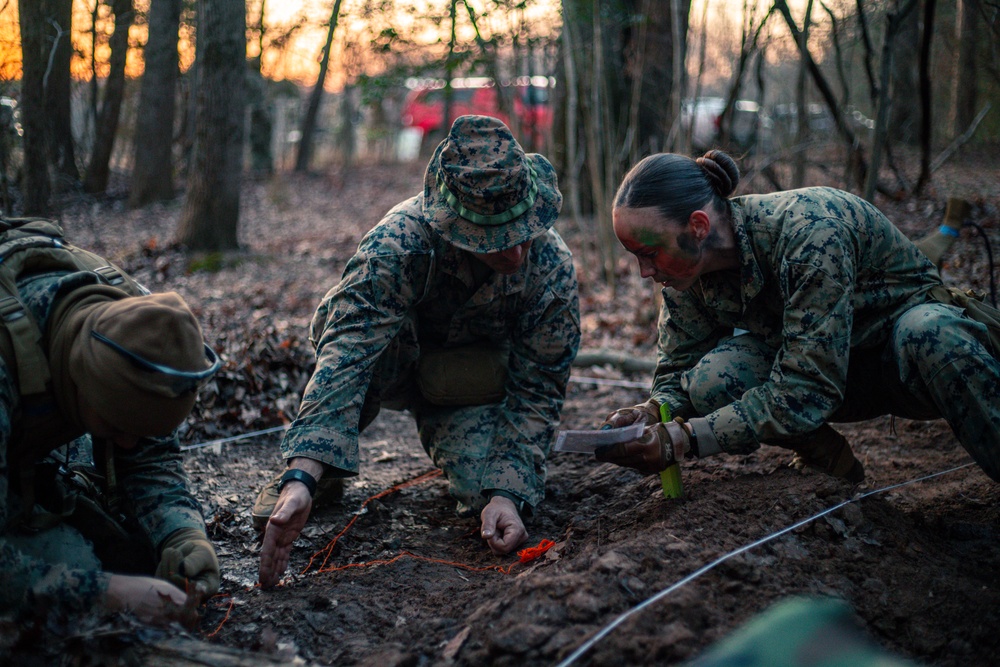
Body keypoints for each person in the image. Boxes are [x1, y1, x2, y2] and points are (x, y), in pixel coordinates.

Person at [253, 115, 580, 588]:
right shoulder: (399, 243)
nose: (515, 254)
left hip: (470, 387)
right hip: (392, 367)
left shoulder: (551, 269)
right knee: (351, 335)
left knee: (490, 496)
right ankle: (327, 467)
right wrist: (301, 474)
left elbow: (538, 390)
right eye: (496, 239)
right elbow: (349, 352)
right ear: (456, 226)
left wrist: (507, 491)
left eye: (523, 231)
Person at [596, 149, 1000, 485]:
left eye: (648, 253)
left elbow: (807, 389)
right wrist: (651, 412)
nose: (644, 272)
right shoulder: (686, 271)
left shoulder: (810, 231)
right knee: (713, 376)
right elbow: (678, 369)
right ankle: (828, 463)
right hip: (836, 376)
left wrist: (685, 438)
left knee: (931, 332)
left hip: (909, 363)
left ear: (698, 226)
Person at [0, 218, 221, 626]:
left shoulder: (134, 329)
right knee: (81, 564)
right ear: (79, 384)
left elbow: (151, 461)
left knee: (138, 552)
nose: (126, 444)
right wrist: (107, 593)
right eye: (117, 427)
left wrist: (184, 536)